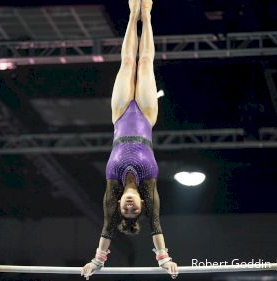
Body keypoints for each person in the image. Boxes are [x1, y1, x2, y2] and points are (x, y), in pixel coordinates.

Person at [80, 0, 179, 279]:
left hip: (121, 115)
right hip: (146, 116)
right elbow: (157, 225)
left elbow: (106, 228)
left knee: (126, 62)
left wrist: (97, 262)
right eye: (135, 211)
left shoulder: (113, 181)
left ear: (120, 204)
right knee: (145, 62)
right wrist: (164, 259)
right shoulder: (149, 183)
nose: (130, 207)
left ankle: (132, 13)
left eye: (126, 210)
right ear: (143, 205)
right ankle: (146, 15)